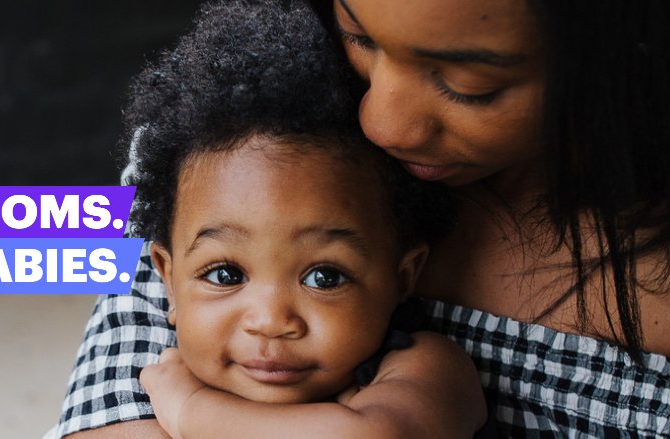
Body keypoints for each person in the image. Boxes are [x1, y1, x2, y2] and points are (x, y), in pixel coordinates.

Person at [53, 0, 670, 436]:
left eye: (469, 84)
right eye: (359, 35)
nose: (381, 122)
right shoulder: (266, 135)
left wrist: (188, 409)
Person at [121, 3, 486, 436]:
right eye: (225, 274)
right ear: (168, 281)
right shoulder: (169, 362)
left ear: (402, 276)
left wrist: (190, 410)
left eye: (325, 278)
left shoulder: (424, 367)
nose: (271, 321)